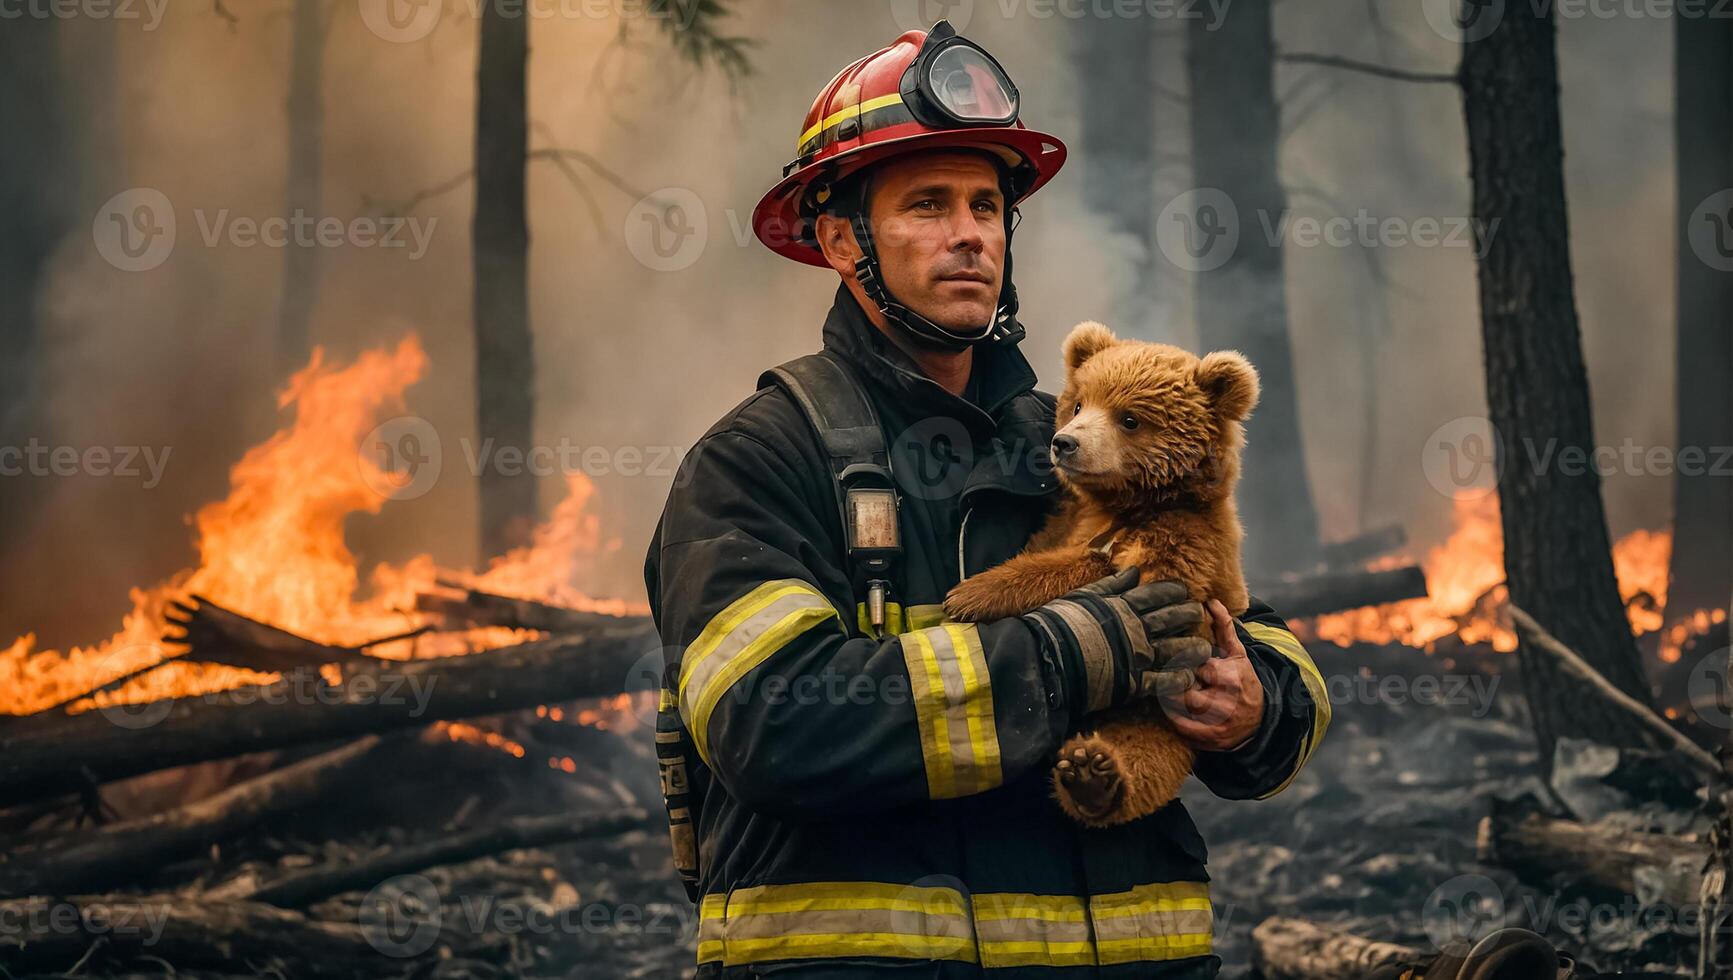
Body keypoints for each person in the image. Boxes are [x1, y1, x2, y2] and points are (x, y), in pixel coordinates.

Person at [644, 21, 1329, 978]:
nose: (970, 232)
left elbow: (1247, 626)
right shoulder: (759, 460)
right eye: (926, 204)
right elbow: (775, 723)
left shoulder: (1081, 447)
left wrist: (1256, 705)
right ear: (841, 239)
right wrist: (1066, 654)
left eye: (985, 204)